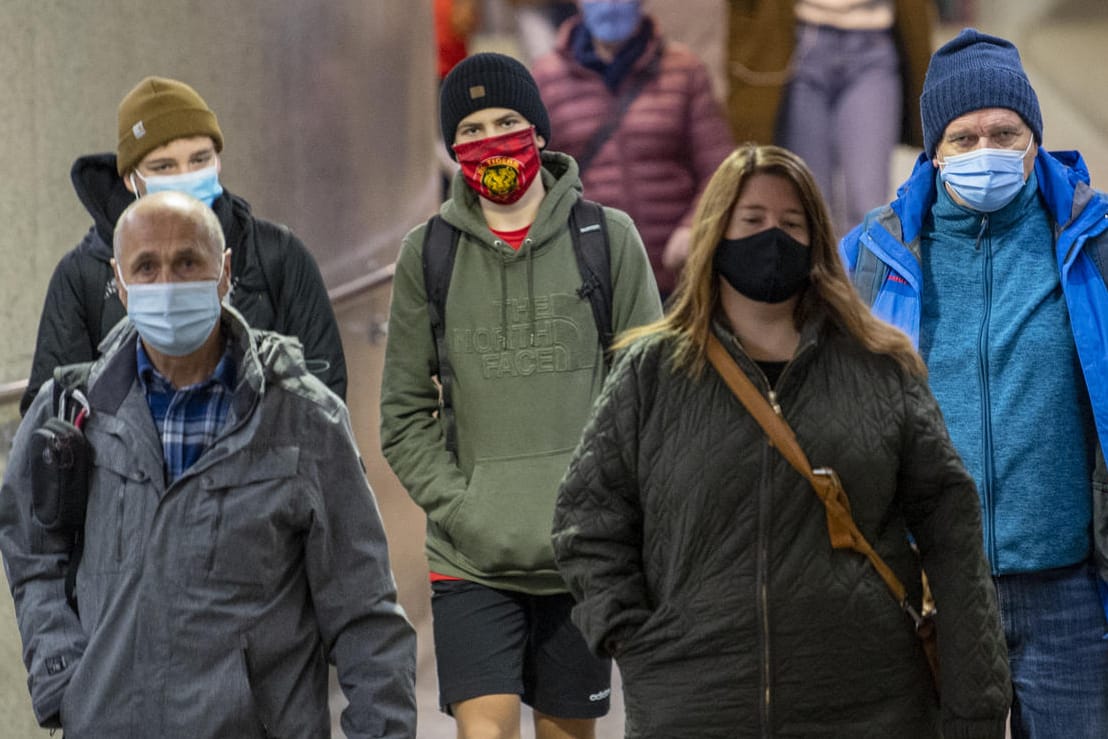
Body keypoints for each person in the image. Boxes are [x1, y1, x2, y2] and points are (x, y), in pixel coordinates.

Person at [553, 144, 1011, 737]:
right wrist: (639, 644)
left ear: (817, 241)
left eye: (792, 224)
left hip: (870, 707)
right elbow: (586, 520)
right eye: (752, 221)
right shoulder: (652, 372)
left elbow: (952, 529)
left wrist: (977, 700)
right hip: (695, 708)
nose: (773, 237)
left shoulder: (880, 367)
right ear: (717, 232)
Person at [0, 191, 417, 738]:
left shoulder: (301, 417)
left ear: (223, 273)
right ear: (119, 283)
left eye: (187, 262)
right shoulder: (75, 411)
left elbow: (364, 614)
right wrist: (63, 676)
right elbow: (32, 551)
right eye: (146, 267)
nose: (168, 284)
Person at [380, 52, 662, 738]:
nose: (491, 139)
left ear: (538, 130)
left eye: (507, 120)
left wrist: (609, 507)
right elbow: (403, 414)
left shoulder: (607, 238)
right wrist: (464, 505)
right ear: (453, 148)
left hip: (579, 559)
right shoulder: (429, 254)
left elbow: (652, 395)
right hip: (470, 559)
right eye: (471, 129)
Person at [839, 28, 1108, 738]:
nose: (985, 149)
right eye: (963, 137)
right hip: (936, 592)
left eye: (1004, 132)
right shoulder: (873, 257)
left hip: (1069, 596)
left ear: (1035, 139)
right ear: (933, 151)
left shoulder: (1090, 243)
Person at [20, 75, 347, 416]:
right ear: (132, 178)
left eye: (199, 159)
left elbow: (324, 391)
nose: (184, 175)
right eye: (164, 166)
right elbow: (51, 409)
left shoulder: (275, 254)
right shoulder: (83, 274)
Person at [532, 0, 734, 300]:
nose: (611, 6)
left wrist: (694, 228)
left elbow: (721, 169)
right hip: (589, 281)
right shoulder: (546, 78)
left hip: (674, 278)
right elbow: (538, 182)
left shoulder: (684, 70)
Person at [724, 0, 932, 235]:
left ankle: (866, 269)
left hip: (874, 42)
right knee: (809, 202)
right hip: (799, 40)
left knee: (868, 203)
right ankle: (817, 271)